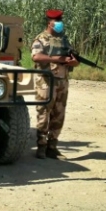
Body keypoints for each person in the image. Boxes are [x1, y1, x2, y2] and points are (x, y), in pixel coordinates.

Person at [30, 9, 79, 159]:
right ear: (49, 23)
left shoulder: (64, 40)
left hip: (62, 81)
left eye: (60, 20)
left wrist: (74, 62)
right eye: (57, 21)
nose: (59, 23)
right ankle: (41, 146)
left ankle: (52, 146)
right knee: (44, 113)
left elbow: (73, 57)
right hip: (46, 82)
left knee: (59, 114)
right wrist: (56, 59)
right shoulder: (41, 39)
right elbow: (36, 56)